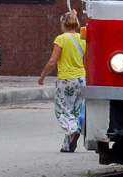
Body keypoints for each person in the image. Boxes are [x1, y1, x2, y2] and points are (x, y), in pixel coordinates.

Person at [37, 9, 86, 151]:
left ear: (64, 24)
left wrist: (42, 76)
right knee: (74, 111)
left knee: (62, 110)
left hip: (66, 79)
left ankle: (73, 131)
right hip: (82, 79)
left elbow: (53, 61)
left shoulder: (61, 39)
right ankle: (67, 145)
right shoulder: (82, 39)